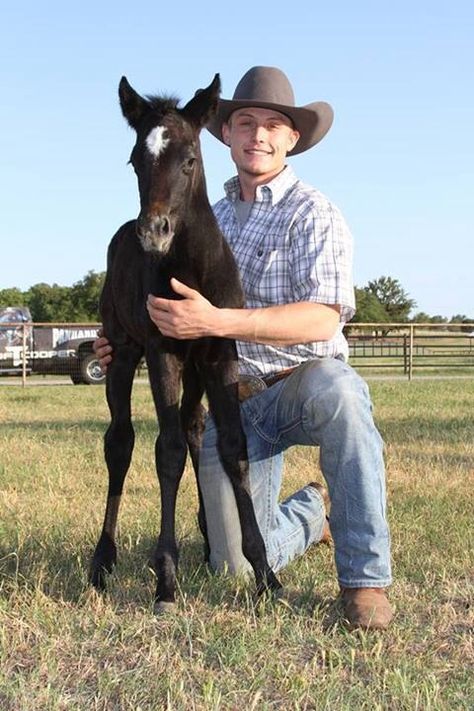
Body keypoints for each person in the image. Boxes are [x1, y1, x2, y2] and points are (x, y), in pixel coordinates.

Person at [95, 66, 393, 630]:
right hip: (230, 402)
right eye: (245, 122)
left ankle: (365, 581)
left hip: (299, 383)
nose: (258, 134)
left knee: (344, 396)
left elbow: (324, 316)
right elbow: (151, 298)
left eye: (273, 125)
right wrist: (121, 335)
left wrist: (219, 318)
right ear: (224, 134)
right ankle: (310, 513)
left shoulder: (315, 213)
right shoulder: (200, 211)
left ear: (291, 139)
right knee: (229, 563)